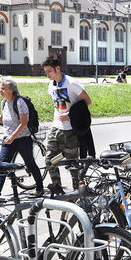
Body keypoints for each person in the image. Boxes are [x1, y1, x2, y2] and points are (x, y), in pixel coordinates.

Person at [0, 77, 45, 198]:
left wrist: (13, 136)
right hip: (8, 139)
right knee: (2, 165)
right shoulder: (4, 102)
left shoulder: (19, 102)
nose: (0, 91)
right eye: (0, 89)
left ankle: (39, 189)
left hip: (23, 139)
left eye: (3, 89)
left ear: (11, 90)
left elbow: (23, 123)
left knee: (30, 164)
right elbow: (3, 117)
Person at [42, 55, 92, 193]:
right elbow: (56, 106)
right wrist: (53, 125)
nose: (47, 74)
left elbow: (88, 102)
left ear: (57, 68)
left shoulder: (72, 83)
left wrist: (70, 115)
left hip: (71, 131)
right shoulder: (51, 85)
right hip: (56, 129)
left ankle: (78, 195)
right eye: (45, 71)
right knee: (49, 160)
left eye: (49, 71)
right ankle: (58, 190)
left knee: (73, 166)